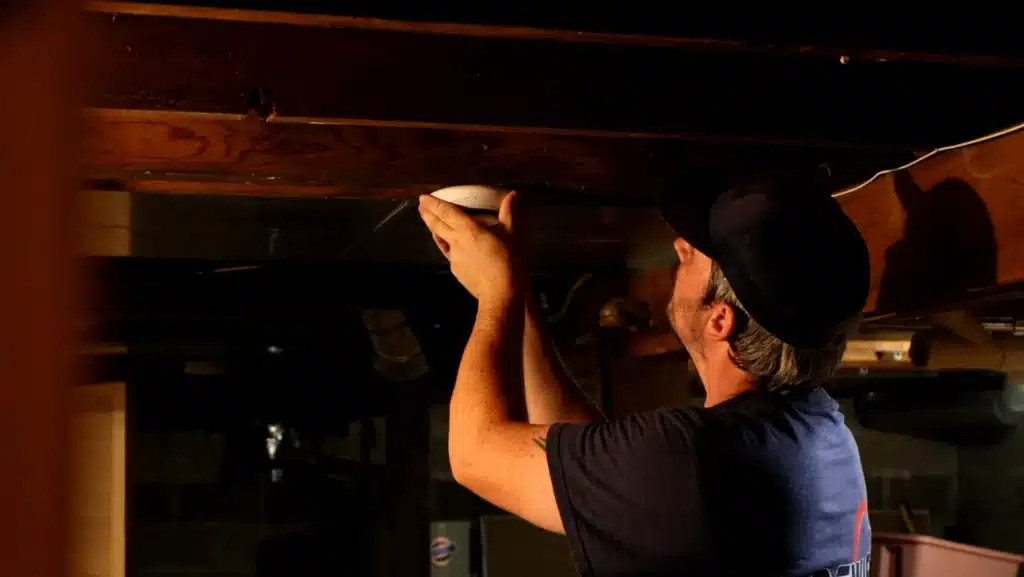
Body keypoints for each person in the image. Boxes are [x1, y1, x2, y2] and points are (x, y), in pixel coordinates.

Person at [417, 177, 872, 577]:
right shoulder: (819, 437)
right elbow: (602, 471)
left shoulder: (699, 457)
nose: (679, 247)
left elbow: (475, 455)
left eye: (701, 253)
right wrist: (515, 290)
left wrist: (496, 294)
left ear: (720, 320)